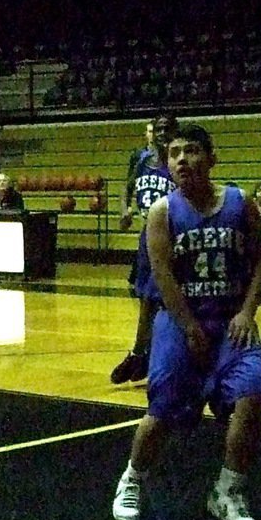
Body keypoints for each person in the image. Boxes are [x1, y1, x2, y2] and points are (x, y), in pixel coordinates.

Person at [111, 124, 261, 520]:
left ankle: (227, 490)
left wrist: (248, 312)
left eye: (192, 151)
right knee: (162, 412)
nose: (182, 159)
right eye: (175, 153)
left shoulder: (239, 203)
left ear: (212, 158)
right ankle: (132, 478)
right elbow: (163, 276)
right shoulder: (162, 212)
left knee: (255, 393)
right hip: (180, 321)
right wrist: (187, 326)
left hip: (231, 321)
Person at [110, 113, 177, 384]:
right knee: (146, 298)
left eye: (166, 128)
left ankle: (142, 353)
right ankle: (143, 354)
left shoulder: (177, 163)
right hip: (146, 236)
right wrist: (125, 210)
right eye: (157, 129)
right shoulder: (140, 160)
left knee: (163, 300)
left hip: (172, 236)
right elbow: (125, 189)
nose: (161, 133)